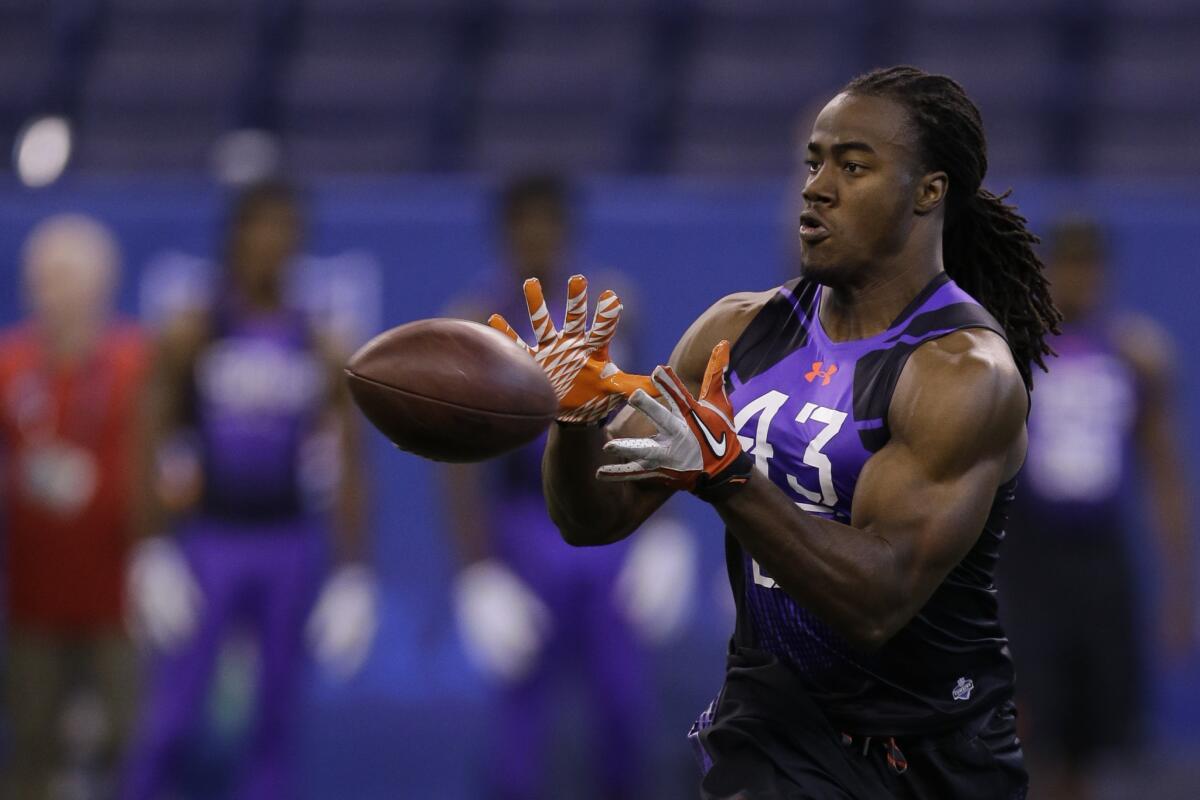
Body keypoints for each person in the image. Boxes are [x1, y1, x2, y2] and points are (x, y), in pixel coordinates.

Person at [489, 66, 1061, 799]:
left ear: (929, 191)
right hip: (775, 731)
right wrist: (573, 424)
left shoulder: (961, 372)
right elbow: (590, 519)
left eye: (853, 166)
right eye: (813, 162)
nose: (816, 187)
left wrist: (729, 479)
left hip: (935, 751)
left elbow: (875, 602)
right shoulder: (740, 329)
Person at [122, 180, 377, 800]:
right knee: (173, 713)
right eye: (258, 228)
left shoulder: (318, 341)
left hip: (288, 539)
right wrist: (151, 548)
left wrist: (352, 572)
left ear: (299, 243)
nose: (270, 243)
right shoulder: (194, 331)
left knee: (277, 717)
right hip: (212, 537)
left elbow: (349, 458)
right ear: (234, 238)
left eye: (284, 229)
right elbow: (150, 436)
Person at [445, 174, 695, 800]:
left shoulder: (614, 308)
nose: (535, 240)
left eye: (546, 225)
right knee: (520, 735)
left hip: (606, 517)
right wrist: (475, 570)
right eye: (523, 226)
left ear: (566, 231)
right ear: (503, 235)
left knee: (624, 715)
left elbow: (647, 410)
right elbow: (457, 458)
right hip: (525, 527)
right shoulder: (477, 323)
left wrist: (663, 529)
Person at [998, 217, 1194, 800]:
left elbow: (1164, 473)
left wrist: (1179, 584)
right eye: (1069, 265)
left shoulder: (1136, 355)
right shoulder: (1013, 352)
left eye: (1090, 266)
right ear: (1050, 272)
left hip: (1100, 558)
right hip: (1029, 561)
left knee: (1089, 738)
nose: (1080, 279)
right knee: (1029, 725)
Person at [0, 214, 147, 800]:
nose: (50, 290)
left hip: (118, 598)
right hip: (32, 600)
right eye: (40, 277)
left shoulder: (138, 362)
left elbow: (173, 458)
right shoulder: (9, 364)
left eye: (64, 276)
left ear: (101, 284)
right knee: (32, 743)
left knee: (125, 740)